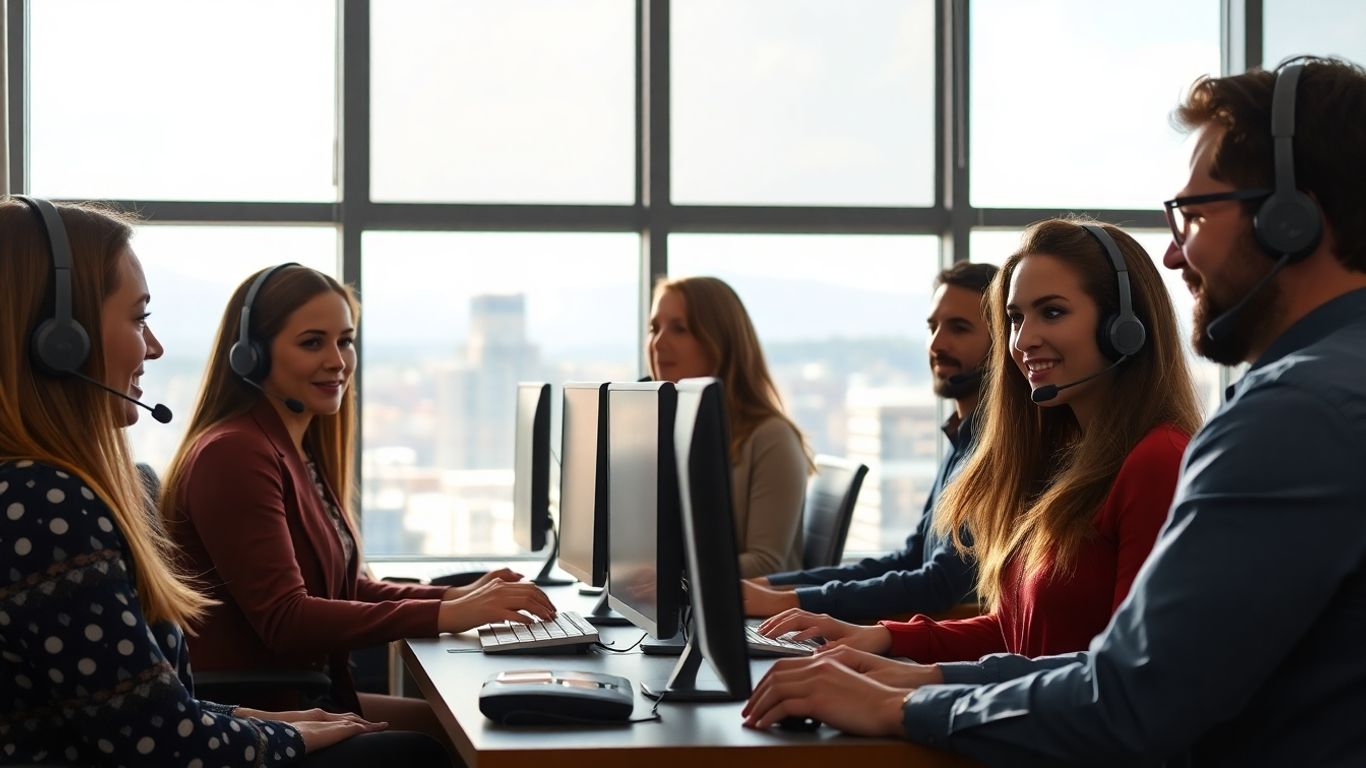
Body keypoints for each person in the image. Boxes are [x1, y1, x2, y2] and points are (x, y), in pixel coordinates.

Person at [742, 56, 1366, 766]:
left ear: (1291, 219)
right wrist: (917, 674)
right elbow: (1098, 662)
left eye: (1193, 215)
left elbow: (1134, 701)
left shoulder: (1296, 416)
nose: (1173, 253)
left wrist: (906, 701)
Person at [0, 197, 447, 764]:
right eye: (139, 318)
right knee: (414, 752)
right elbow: (156, 742)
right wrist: (280, 733)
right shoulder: (43, 502)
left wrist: (256, 722)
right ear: (61, 341)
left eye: (345, 340)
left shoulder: (41, 493)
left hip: (196, 730)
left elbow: (143, 710)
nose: (155, 347)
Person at [755, 218, 1200, 666]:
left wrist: (909, 691)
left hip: (1056, 730)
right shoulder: (1056, 459)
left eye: (1053, 312)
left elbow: (1124, 677)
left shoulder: (1156, 461)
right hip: (1024, 722)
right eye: (1015, 318)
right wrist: (885, 640)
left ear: (1124, 327)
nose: (1023, 340)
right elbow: (1016, 632)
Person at [158, 264, 556, 744]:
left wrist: (461, 598)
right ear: (252, 356)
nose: (338, 360)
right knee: (472, 739)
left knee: (487, 730)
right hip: (264, 716)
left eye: (344, 341)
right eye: (312, 342)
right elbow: (287, 619)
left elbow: (346, 588)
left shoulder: (292, 450)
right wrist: (447, 614)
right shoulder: (235, 452)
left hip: (305, 698)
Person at [742, 262, 996, 621]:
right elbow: (909, 559)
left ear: (1002, 342)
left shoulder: (994, 453)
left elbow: (936, 586)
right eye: (932, 327)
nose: (937, 343)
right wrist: (769, 587)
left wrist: (791, 601)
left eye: (959, 328)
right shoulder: (962, 442)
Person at [647, 276, 814, 578]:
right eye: (654, 329)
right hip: (686, 615)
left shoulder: (771, 438)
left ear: (719, 342)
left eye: (679, 329)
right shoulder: (666, 433)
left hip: (750, 621)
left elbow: (766, 563)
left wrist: (668, 577)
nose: (658, 343)